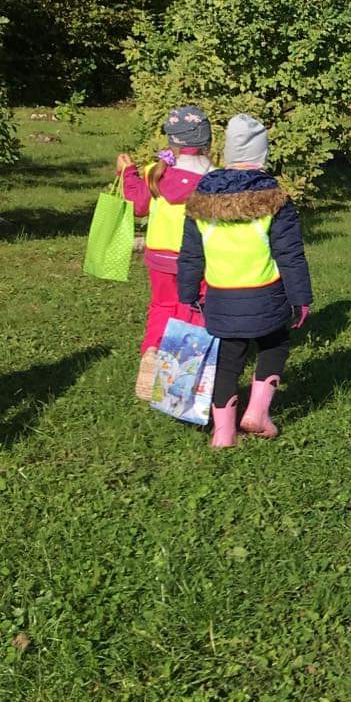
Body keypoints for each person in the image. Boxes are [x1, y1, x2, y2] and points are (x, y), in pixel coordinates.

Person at [177, 115, 313, 448]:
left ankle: (223, 434)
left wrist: (187, 293)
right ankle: (257, 412)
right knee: (274, 345)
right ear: (262, 155)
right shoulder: (275, 200)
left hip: (221, 296)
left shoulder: (202, 200)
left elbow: (191, 255)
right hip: (267, 293)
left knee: (227, 360)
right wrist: (301, 299)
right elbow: (290, 254)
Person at [117, 104, 213, 399]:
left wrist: (127, 173)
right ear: (208, 142)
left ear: (172, 141)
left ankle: (152, 350)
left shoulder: (154, 172)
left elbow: (138, 205)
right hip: (196, 258)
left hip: (158, 255)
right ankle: (183, 374)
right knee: (193, 308)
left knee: (162, 306)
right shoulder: (213, 179)